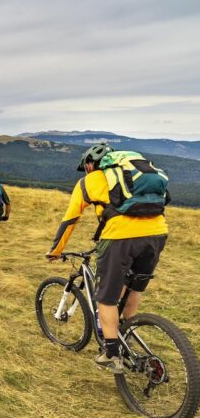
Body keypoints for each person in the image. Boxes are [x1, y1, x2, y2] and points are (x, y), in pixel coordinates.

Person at [46, 143, 169, 373]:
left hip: (121, 238)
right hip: (157, 234)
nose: (86, 172)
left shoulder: (88, 181)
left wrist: (55, 250)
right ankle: (127, 332)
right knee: (133, 288)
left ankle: (111, 354)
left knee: (106, 298)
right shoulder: (135, 174)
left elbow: (70, 220)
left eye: (86, 168)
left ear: (90, 164)